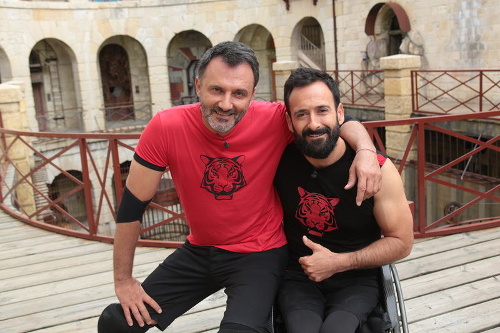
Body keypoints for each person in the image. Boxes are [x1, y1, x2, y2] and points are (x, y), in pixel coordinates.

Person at [98, 41, 382, 333]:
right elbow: (133, 205)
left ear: (252, 95)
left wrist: (365, 151)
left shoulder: (275, 119)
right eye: (216, 90)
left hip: (259, 253)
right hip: (200, 250)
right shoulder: (165, 127)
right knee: (116, 324)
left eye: (239, 94)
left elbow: (340, 120)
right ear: (198, 85)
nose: (226, 104)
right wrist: (123, 280)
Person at [273, 67, 414, 333]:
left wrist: (339, 262)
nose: (313, 123)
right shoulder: (279, 159)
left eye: (322, 110)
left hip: (355, 276)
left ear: (339, 113)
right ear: (290, 122)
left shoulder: (379, 170)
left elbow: (402, 243)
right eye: (302, 114)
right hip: (298, 275)